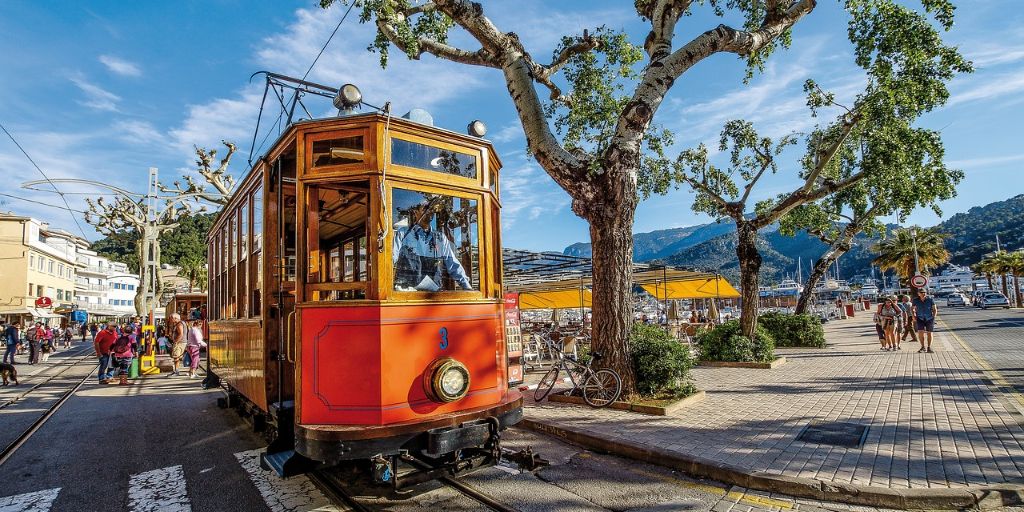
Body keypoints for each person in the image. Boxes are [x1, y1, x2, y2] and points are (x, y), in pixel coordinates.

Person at [392, 199, 472, 291]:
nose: (430, 211)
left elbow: (453, 264)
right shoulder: (403, 234)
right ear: (416, 212)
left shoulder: (440, 238)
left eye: (432, 209)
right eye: (425, 208)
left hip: (433, 295)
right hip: (407, 295)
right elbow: (391, 258)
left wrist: (467, 288)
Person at [912, 289, 938, 353]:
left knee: (929, 333)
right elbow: (912, 309)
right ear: (918, 293)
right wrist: (914, 316)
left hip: (929, 318)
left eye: (924, 292)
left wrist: (934, 317)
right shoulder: (915, 300)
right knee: (920, 333)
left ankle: (929, 347)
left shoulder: (930, 299)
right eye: (921, 292)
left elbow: (934, 309)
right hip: (920, 318)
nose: (923, 293)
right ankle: (922, 347)